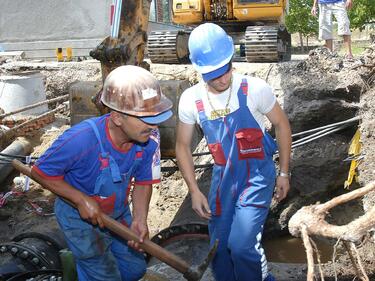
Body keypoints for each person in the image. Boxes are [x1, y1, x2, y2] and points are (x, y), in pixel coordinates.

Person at [31, 65, 173, 281]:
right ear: (117, 117)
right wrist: (80, 200)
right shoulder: (81, 139)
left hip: (117, 213)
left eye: (156, 117)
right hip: (78, 219)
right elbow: (40, 172)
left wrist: (140, 219)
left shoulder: (149, 141)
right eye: (145, 118)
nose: (153, 126)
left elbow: (144, 182)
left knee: (135, 270)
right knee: (102, 274)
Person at [175, 23, 292, 281]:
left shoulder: (254, 89)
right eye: (214, 75)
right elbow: (182, 145)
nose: (223, 79)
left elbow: (282, 124)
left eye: (226, 69)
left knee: (241, 246)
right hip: (223, 182)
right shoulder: (191, 100)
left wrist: (284, 172)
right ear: (199, 71)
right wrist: (194, 190)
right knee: (219, 248)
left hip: (257, 177)